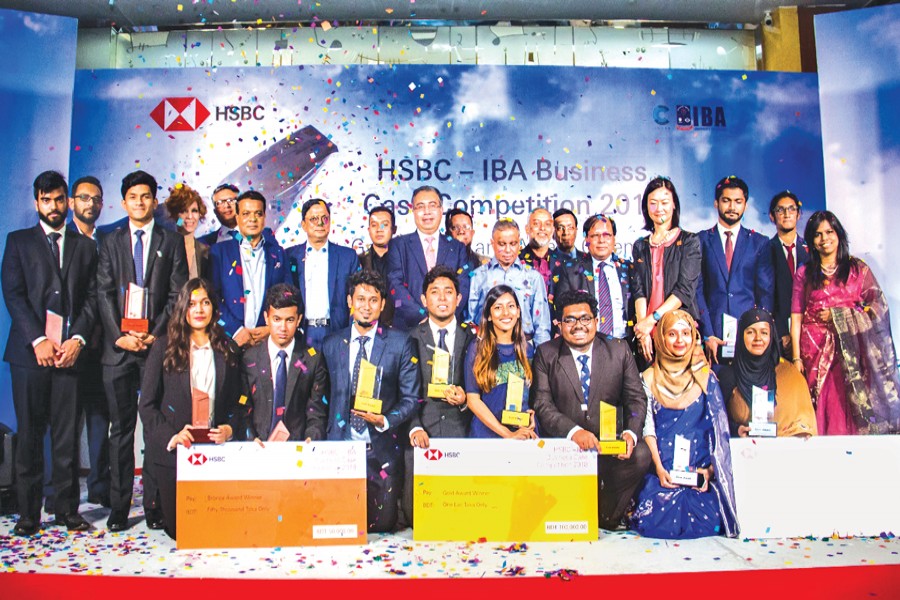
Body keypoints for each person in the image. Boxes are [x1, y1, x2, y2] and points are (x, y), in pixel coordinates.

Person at [2, 171, 98, 536]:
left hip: (70, 356)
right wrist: (38, 340)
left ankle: (67, 510)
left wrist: (77, 340)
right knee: (29, 434)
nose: (54, 206)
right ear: (36, 202)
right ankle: (28, 515)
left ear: (67, 201)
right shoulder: (18, 242)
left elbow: (92, 299)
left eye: (59, 199)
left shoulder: (85, 246)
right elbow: (13, 294)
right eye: (47, 200)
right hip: (30, 357)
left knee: (66, 437)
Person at [96, 170, 188, 532]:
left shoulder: (171, 240)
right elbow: (102, 291)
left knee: (155, 429)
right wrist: (119, 334)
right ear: (124, 202)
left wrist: (155, 333)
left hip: (155, 349)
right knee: (120, 430)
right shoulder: (110, 240)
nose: (139, 201)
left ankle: (154, 505)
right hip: (118, 350)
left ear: (155, 200)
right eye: (133, 196)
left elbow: (177, 294)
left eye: (146, 196)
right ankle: (119, 508)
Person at [308, 270, 419, 533]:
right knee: (340, 528)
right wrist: (315, 434)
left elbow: (411, 398)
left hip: (380, 450)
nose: (366, 307)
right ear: (349, 302)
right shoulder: (332, 343)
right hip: (340, 449)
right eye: (360, 299)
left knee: (383, 527)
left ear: (382, 304)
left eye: (373, 300)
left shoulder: (400, 343)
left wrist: (386, 420)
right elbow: (319, 398)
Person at [532, 290, 650, 530]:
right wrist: (574, 432)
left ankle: (607, 514)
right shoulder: (546, 353)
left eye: (585, 318)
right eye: (570, 320)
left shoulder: (618, 349)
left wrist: (631, 433)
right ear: (559, 324)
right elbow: (542, 404)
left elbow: (636, 399)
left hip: (609, 445)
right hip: (566, 446)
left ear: (597, 321)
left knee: (641, 454)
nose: (579, 326)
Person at [138, 278, 240, 539]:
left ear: (214, 309)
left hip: (215, 454)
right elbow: (147, 405)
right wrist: (172, 436)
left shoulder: (227, 348)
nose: (199, 309)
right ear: (182, 308)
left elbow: (241, 401)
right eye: (192, 303)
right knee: (181, 532)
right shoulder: (163, 347)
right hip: (176, 454)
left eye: (205, 303)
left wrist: (230, 428)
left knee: (217, 532)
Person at [629, 311, 739, 539]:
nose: (680, 340)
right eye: (672, 333)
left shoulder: (706, 377)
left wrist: (709, 472)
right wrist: (659, 469)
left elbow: (718, 432)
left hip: (699, 473)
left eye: (686, 333)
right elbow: (647, 428)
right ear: (660, 338)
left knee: (707, 513)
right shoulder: (647, 378)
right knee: (654, 512)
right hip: (663, 471)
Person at [791, 211, 900, 435]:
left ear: (839, 234)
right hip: (815, 351)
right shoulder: (804, 273)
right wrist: (796, 357)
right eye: (818, 234)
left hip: (852, 351)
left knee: (851, 405)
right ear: (811, 241)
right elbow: (796, 316)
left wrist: (840, 316)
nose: (824, 239)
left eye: (829, 232)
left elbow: (878, 307)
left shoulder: (857, 269)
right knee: (825, 406)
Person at [400, 265, 475, 527]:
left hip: (463, 432)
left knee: (464, 516)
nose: (442, 298)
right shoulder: (408, 339)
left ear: (459, 298)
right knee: (417, 517)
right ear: (424, 300)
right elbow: (402, 392)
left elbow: (484, 392)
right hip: (423, 434)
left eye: (448, 292)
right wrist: (414, 427)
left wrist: (466, 400)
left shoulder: (473, 338)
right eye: (435, 292)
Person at [696, 176, 774, 399]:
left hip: (749, 337)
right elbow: (698, 291)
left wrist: (759, 333)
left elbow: (765, 293)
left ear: (745, 205)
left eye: (738, 201)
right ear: (716, 203)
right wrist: (708, 334)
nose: (732, 207)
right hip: (714, 340)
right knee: (719, 399)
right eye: (726, 201)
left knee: (750, 401)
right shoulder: (700, 241)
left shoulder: (760, 243)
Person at [68, 176, 111, 507]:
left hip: (104, 346)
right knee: (65, 422)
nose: (90, 204)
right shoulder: (59, 241)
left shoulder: (108, 240)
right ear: (71, 203)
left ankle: (99, 487)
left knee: (101, 419)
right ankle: (62, 492)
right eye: (83, 198)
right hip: (67, 346)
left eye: (96, 199)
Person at [238, 283, 327, 442]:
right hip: (258, 449)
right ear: (266, 318)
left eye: (290, 320)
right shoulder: (249, 358)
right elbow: (243, 409)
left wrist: (311, 439)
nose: (283, 327)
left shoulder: (313, 360)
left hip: (298, 451)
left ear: (299, 319)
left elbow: (316, 412)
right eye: (277, 319)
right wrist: (251, 439)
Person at [630, 177, 702, 363]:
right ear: (646, 207)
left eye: (664, 202)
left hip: (677, 331)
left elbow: (684, 290)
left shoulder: (689, 241)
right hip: (648, 331)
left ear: (674, 205)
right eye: (653, 203)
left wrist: (652, 319)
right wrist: (642, 329)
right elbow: (638, 290)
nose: (659, 208)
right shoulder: (640, 245)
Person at [209, 190, 292, 348]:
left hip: (266, 341)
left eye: (258, 214)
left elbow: (287, 297)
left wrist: (271, 328)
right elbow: (212, 298)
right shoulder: (219, 252)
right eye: (246, 214)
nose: (252, 219)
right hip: (229, 341)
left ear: (264, 217)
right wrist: (235, 330)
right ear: (237, 217)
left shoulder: (277, 254)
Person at [386, 185, 471, 330]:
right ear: (413, 211)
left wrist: (443, 317)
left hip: (448, 328)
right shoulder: (398, 245)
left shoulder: (458, 248)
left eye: (432, 205)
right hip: (409, 328)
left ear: (441, 210)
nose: (427, 212)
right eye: (420, 206)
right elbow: (395, 285)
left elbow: (463, 286)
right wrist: (423, 317)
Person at [728, 308, 817, 437]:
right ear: (741, 335)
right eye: (750, 332)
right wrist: (737, 430)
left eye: (764, 333)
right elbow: (718, 422)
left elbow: (805, 422)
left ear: (772, 336)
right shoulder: (728, 376)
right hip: (742, 452)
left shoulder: (790, 375)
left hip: (784, 453)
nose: (758, 338)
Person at [464, 284, 537, 439]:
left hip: (522, 434)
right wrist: (508, 434)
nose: (505, 313)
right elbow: (473, 400)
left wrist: (531, 416)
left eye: (511, 306)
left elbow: (531, 397)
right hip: (487, 435)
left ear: (518, 311)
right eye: (498, 307)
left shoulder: (528, 350)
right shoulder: (477, 348)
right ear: (489, 315)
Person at [286, 199, 359, 350]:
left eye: (324, 218)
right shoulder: (290, 256)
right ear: (303, 225)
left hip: (337, 332)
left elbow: (357, 297)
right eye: (313, 219)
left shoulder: (347, 256)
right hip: (302, 333)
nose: (320, 223)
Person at [467, 219, 551, 346]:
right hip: (487, 348)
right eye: (502, 244)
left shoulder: (533, 277)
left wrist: (542, 359)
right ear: (492, 243)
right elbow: (471, 319)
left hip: (525, 348)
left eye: (513, 243)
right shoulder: (478, 276)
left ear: (519, 243)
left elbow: (542, 326)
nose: (508, 250)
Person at [554, 214, 633, 341]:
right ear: (586, 239)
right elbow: (561, 310)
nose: (601, 240)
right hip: (586, 343)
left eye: (607, 235)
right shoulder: (570, 270)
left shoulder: (629, 269)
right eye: (595, 235)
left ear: (614, 239)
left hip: (624, 343)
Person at [768, 191, 809, 351]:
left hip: (811, 331)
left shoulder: (811, 250)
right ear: (772, 216)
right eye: (780, 210)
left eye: (791, 209)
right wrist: (781, 332)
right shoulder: (765, 251)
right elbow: (766, 297)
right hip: (780, 336)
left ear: (798, 215)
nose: (786, 214)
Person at [358, 205, 396, 327]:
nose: (379, 229)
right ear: (369, 229)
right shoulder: (358, 260)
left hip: (399, 330)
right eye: (374, 225)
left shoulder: (404, 260)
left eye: (384, 225)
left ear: (394, 229)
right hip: (366, 327)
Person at [164, 183, 210, 280]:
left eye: (194, 211)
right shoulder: (164, 248)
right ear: (175, 215)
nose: (190, 217)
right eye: (184, 211)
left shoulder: (205, 252)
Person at [518, 208, 556, 291]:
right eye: (536, 224)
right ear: (527, 229)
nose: (542, 228)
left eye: (547, 224)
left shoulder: (562, 261)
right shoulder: (516, 260)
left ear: (553, 230)